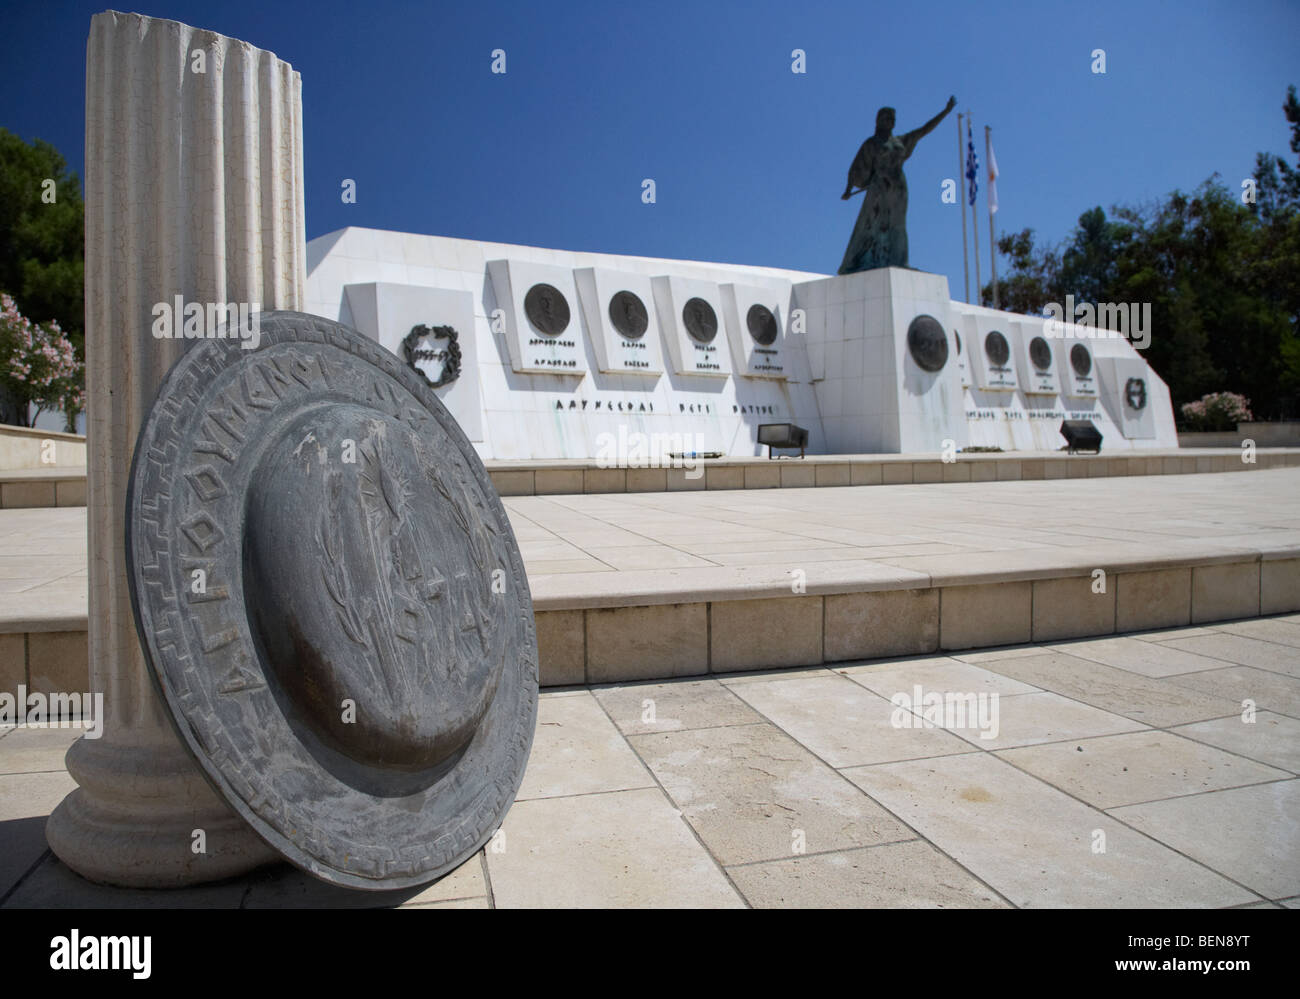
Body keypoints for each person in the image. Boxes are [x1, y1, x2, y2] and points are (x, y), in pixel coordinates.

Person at [838, 96, 957, 274]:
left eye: (893, 119)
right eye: (887, 118)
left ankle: (899, 261)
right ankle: (873, 259)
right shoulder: (872, 143)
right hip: (879, 188)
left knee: (898, 224)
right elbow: (856, 166)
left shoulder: (900, 141)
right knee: (874, 225)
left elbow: (924, 130)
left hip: (899, 188)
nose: (891, 122)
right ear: (878, 121)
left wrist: (946, 112)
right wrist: (848, 189)